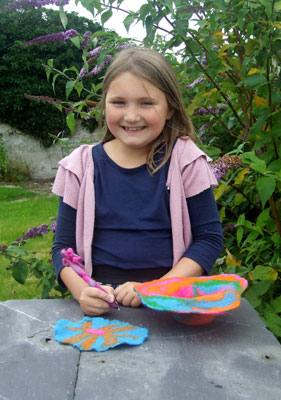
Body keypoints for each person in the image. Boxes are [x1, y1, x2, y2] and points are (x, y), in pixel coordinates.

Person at [52, 47, 223, 316]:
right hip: (103, 305)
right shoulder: (80, 166)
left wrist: (157, 289)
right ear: (104, 103)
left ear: (169, 109)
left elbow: (209, 240)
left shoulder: (186, 160)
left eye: (146, 103)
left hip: (169, 304)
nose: (131, 116)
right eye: (118, 102)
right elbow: (62, 249)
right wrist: (83, 291)